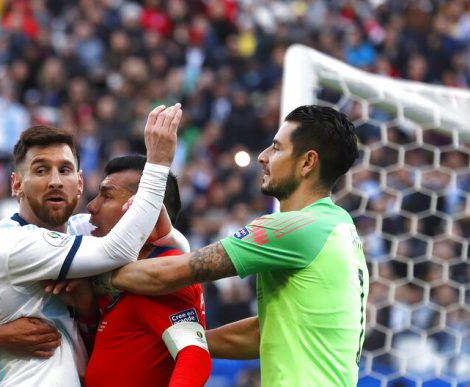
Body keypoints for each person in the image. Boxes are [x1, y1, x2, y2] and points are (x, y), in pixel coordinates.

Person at [107, 105, 368, 387]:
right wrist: (185, 343)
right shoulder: (341, 227)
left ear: (307, 163)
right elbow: (261, 333)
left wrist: (81, 270)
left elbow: (168, 275)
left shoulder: (295, 228)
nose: (263, 157)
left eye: (277, 149)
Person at [0, 125, 190, 386]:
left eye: (64, 170)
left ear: (79, 183)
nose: (55, 181)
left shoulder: (91, 233)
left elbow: (164, 247)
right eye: (41, 170)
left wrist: (87, 308)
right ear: (17, 184)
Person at [77, 154, 211, 386]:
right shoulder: (124, 277)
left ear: (142, 213)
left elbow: (194, 354)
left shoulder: (166, 276)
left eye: (106, 195)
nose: (92, 206)